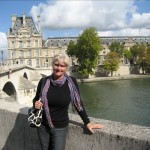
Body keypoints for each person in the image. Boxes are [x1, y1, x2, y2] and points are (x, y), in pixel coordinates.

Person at [33, 53, 103, 150]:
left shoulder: (71, 82)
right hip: (43, 126)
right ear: (52, 65)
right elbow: (36, 99)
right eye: (56, 65)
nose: (59, 68)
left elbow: (78, 103)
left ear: (66, 67)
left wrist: (87, 122)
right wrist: (36, 104)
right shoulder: (44, 81)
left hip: (60, 127)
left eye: (62, 66)